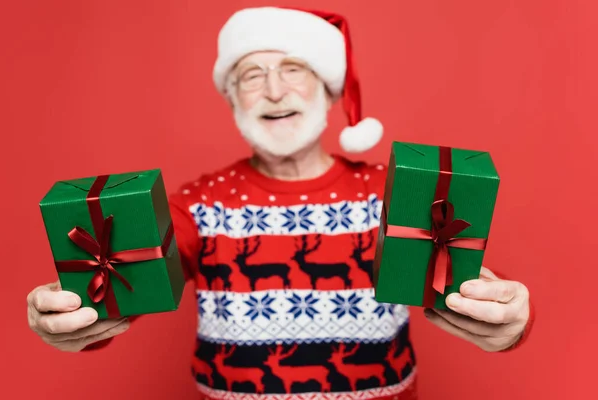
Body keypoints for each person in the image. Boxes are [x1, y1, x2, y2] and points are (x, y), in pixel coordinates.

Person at [26, 6, 534, 400]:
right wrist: (74, 318)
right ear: (231, 99)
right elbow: (120, 274)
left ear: (329, 90)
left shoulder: (394, 194)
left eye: (294, 69)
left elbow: (468, 279)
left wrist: (507, 319)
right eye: (251, 75)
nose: (273, 90)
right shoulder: (196, 206)